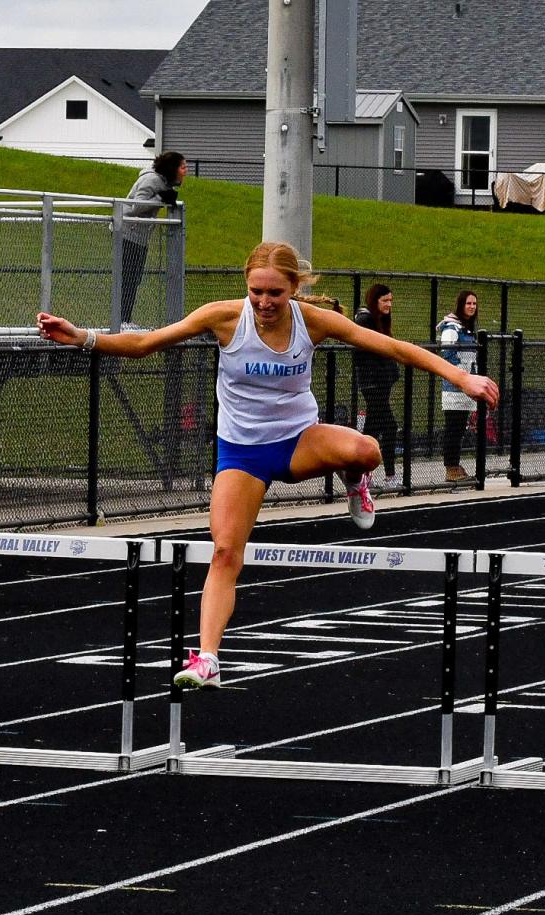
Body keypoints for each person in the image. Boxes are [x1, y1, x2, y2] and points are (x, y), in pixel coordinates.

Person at [36, 241, 499, 689]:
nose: (263, 302)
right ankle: (208, 659)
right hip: (242, 453)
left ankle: (357, 482)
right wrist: (83, 337)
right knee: (223, 552)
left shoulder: (314, 321)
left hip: (299, 440)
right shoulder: (224, 317)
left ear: (293, 289)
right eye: (256, 291)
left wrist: (462, 376)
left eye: (274, 293)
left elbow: (392, 347)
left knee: (367, 451)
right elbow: (147, 343)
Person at [120, 151, 187, 326]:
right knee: (129, 278)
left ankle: (125, 319)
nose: (185, 171)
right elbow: (136, 206)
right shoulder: (152, 180)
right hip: (128, 233)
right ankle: (121, 320)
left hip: (138, 236)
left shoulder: (162, 182)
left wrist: (165, 196)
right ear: (172, 168)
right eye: (182, 167)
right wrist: (160, 198)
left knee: (134, 278)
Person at [353, 284, 400, 490]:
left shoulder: (381, 321)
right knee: (388, 426)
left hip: (383, 381)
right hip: (373, 382)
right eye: (384, 301)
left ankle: (362, 474)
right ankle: (386, 475)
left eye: (390, 301)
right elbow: (367, 350)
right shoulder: (365, 320)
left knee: (373, 428)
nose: (388, 305)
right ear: (375, 300)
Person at [437, 289, 479, 482]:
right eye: (468, 303)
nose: (471, 307)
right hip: (455, 387)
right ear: (461, 305)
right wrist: (460, 375)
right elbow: (447, 354)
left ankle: (455, 464)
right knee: (453, 427)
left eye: (474, 304)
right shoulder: (452, 328)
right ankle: (450, 467)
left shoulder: (468, 328)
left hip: (467, 386)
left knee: (460, 427)